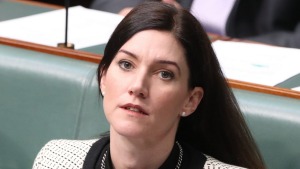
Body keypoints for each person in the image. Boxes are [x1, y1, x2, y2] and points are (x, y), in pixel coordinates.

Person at [33, 2, 265, 169]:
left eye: (164, 74)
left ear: (191, 100)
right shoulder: (55, 160)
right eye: (126, 64)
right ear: (103, 77)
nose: (138, 86)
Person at [90, 0, 300, 49]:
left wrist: (216, 41)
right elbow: (108, 2)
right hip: (166, 47)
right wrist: (146, 12)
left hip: (255, 65)